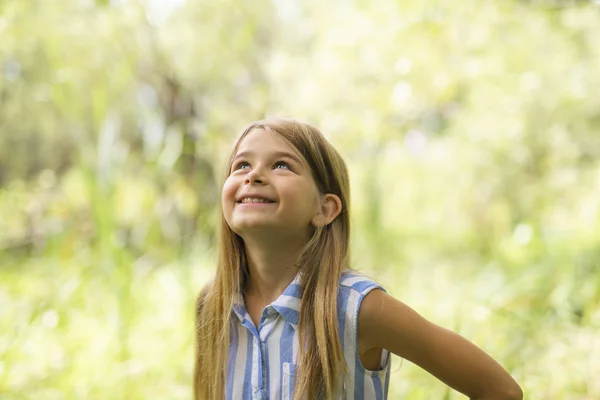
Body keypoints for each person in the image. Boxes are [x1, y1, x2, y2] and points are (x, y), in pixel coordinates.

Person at [194, 117, 523, 400]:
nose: (254, 175)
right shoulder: (214, 304)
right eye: (242, 165)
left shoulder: (357, 307)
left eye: (281, 165)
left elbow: (499, 390)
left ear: (325, 209)